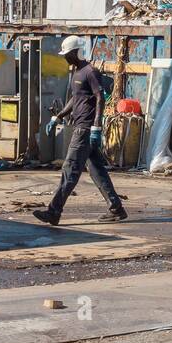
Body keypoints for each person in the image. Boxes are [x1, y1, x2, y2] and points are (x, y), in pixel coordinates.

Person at [32, 36, 127, 225]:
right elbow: (75, 99)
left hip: (85, 130)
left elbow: (100, 97)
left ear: (76, 52)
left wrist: (96, 127)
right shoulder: (76, 73)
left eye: (67, 54)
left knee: (70, 169)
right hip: (81, 127)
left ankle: (54, 211)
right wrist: (58, 116)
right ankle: (116, 208)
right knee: (97, 170)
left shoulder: (90, 72)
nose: (65, 58)